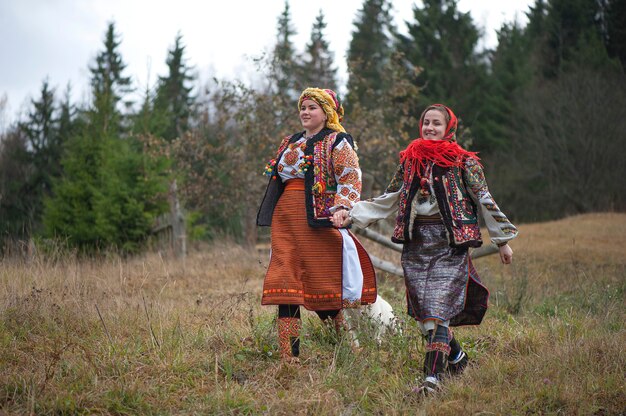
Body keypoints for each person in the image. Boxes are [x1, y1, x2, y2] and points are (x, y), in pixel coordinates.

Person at [332, 104, 518, 392]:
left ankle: (432, 381)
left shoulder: (464, 162)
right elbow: (389, 198)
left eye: (436, 124)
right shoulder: (410, 161)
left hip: (449, 244)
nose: (430, 128)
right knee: (424, 318)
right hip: (416, 245)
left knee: (437, 311)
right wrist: (352, 214)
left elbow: (485, 200)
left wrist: (502, 242)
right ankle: (457, 358)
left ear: (448, 129)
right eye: (426, 123)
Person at [257, 87, 377, 363]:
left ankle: (347, 346)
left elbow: (350, 177)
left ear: (327, 112)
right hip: (286, 218)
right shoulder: (290, 141)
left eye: (312, 107)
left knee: (323, 285)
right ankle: (289, 358)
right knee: (284, 283)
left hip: (318, 222)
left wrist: (343, 207)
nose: (305, 112)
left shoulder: (338, 141)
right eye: (303, 107)